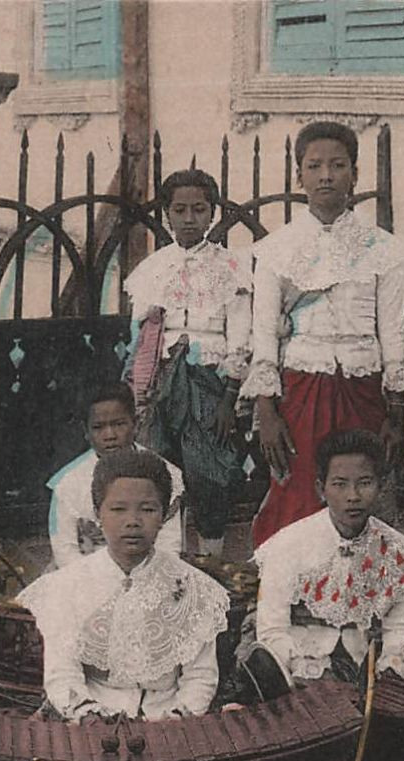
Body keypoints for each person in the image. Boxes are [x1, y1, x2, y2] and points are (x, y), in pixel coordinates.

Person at [243, 121, 404, 548]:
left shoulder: (385, 250)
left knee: (361, 497)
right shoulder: (275, 250)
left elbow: (392, 336)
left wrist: (396, 414)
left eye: (338, 165)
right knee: (300, 496)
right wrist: (266, 411)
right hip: (302, 389)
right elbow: (264, 335)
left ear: (355, 174)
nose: (326, 176)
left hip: (364, 390)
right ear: (298, 175)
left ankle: (360, 598)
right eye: (314, 165)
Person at [20, 449, 229, 721]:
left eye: (148, 509)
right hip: (90, 719)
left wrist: (176, 718)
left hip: (168, 720)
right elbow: (62, 674)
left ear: (164, 515)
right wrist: (87, 715)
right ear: (98, 513)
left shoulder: (194, 588)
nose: (132, 521)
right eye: (118, 509)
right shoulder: (67, 586)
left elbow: (201, 676)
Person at [123, 168, 252, 557]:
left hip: (208, 384)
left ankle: (210, 560)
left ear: (212, 213)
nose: (189, 218)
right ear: (167, 215)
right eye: (180, 210)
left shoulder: (230, 269)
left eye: (199, 209)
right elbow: (140, 334)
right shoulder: (153, 268)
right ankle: (166, 560)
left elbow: (242, 338)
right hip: (162, 382)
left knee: (209, 473)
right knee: (160, 473)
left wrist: (230, 397)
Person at [253, 429, 404, 682]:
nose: (353, 496)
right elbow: (271, 630)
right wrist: (302, 670)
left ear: (381, 486)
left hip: (358, 664)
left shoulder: (395, 550)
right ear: (321, 489)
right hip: (294, 665)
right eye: (340, 484)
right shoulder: (288, 545)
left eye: (365, 483)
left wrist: (391, 663)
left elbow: (398, 627)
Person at [47, 383, 185, 569]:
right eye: (98, 427)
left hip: (150, 571)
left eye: (119, 424)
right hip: (87, 576)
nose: (110, 435)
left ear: (135, 423)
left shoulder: (165, 473)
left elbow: (169, 542)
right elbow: (65, 550)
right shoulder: (67, 483)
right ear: (85, 431)